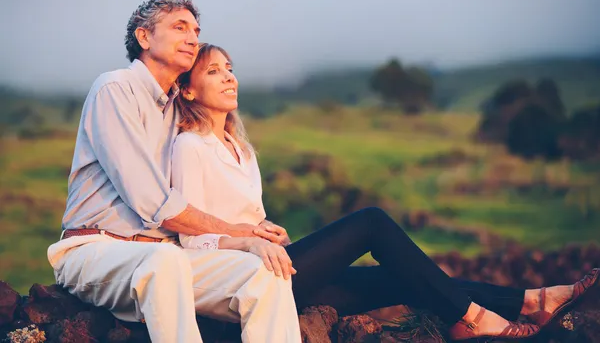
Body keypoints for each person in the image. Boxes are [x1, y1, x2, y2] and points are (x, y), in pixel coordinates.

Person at [171, 43, 600, 341]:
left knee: (402, 277)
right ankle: (472, 319)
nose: (229, 78)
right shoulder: (189, 147)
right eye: (213, 71)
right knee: (371, 222)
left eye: (230, 68)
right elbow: (188, 237)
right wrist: (247, 240)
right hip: (240, 286)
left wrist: (266, 230)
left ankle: (529, 301)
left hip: (278, 273)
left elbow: (244, 215)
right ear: (188, 90)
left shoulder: (241, 149)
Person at [46, 0, 302, 343]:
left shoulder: (177, 112)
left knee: (266, 274)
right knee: (165, 260)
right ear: (144, 37)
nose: (193, 38)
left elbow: (210, 179)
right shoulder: (115, 89)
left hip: (166, 258)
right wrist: (240, 236)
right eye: (179, 28)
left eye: (196, 30)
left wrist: (257, 230)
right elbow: (152, 201)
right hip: (96, 251)